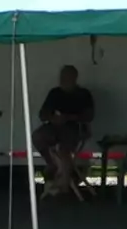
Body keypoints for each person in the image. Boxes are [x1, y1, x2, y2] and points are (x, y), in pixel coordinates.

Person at [33, 65, 94, 197]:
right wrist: (52, 118)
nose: (62, 79)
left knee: (64, 149)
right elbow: (42, 114)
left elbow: (89, 116)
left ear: (74, 78)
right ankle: (52, 164)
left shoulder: (83, 94)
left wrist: (69, 117)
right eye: (62, 77)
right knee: (38, 136)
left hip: (75, 128)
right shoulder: (55, 93)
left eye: (66, 77)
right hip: (54, 127)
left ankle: (64, 184)